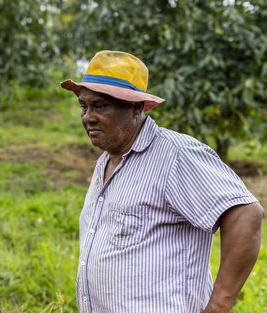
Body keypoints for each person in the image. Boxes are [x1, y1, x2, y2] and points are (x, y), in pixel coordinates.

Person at [60, 50, 264, 313]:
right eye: (84, 106)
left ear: (136, 107)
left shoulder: (175, 155)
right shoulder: (107, 161)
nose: (87, 117)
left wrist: (218, 306)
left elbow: (246, 214)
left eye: (100, 106)